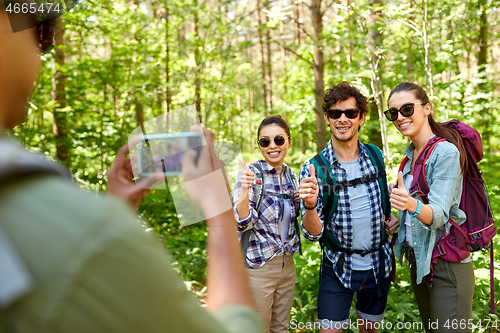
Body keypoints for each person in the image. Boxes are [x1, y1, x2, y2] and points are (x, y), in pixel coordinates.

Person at [0, 5, 263, 333]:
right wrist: (219, 212)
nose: (44, 48)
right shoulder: (96, 240)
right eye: (40, 29)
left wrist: (111, 210)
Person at [299, 82, 399, 333]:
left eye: (350, 113)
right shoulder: (314, 168)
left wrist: (393, 218)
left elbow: (381, 203)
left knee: (370, 330)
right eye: (335, 113)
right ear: (327, 118)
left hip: (379, 264)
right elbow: (312, 235)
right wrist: (310, 206)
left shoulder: (375, 155)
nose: (342, 119)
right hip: (337, 267)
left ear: (362, 118)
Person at [387, 82, 474, 333]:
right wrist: (400, 221)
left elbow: (438, 216)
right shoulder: (409, 157)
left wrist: (410, 204)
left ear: (427, 108)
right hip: (421, 264)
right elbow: (414, 212)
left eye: (406, 109)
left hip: (448, 265)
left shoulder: (445, 152)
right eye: (393, 113)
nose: (400, 118)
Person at [232, 115, 301, 333]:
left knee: (280, 329)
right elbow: (242, 222)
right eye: (265, 141)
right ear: (259, 145)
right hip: (259, 267)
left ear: (289, 141)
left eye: (278, 140)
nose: (272, 146)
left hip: (287, 265)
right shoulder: (250, 175)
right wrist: (244, 189)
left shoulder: (292, 176)